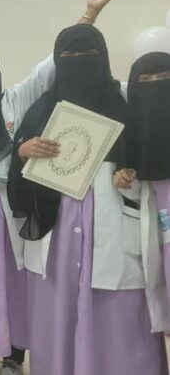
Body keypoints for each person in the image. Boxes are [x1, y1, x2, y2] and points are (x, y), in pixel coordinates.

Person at [0, 0, 123, 375]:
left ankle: (12, 355)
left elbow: (54, 64)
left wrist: (89, 16)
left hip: (8, 208)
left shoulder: (14, 101)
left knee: (11, 280)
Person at [7, 20, 167, 374]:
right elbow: (17, 183)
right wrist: (23, 152)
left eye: (88, 53)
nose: (79, 61)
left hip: (114, 227)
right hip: (58, 232)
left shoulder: (125, 100)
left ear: (103, 57)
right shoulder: (40, 110)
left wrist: (130, 176)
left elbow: (150, 159)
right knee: (59, 320)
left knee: (119, 321)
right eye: (69, 55)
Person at [113, 51, 170, 341]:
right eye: (146, 80)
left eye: (164, 78)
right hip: (161, 242)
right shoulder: (133, 134)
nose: (156, 84)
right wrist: (125, 182)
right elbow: (141, 193)